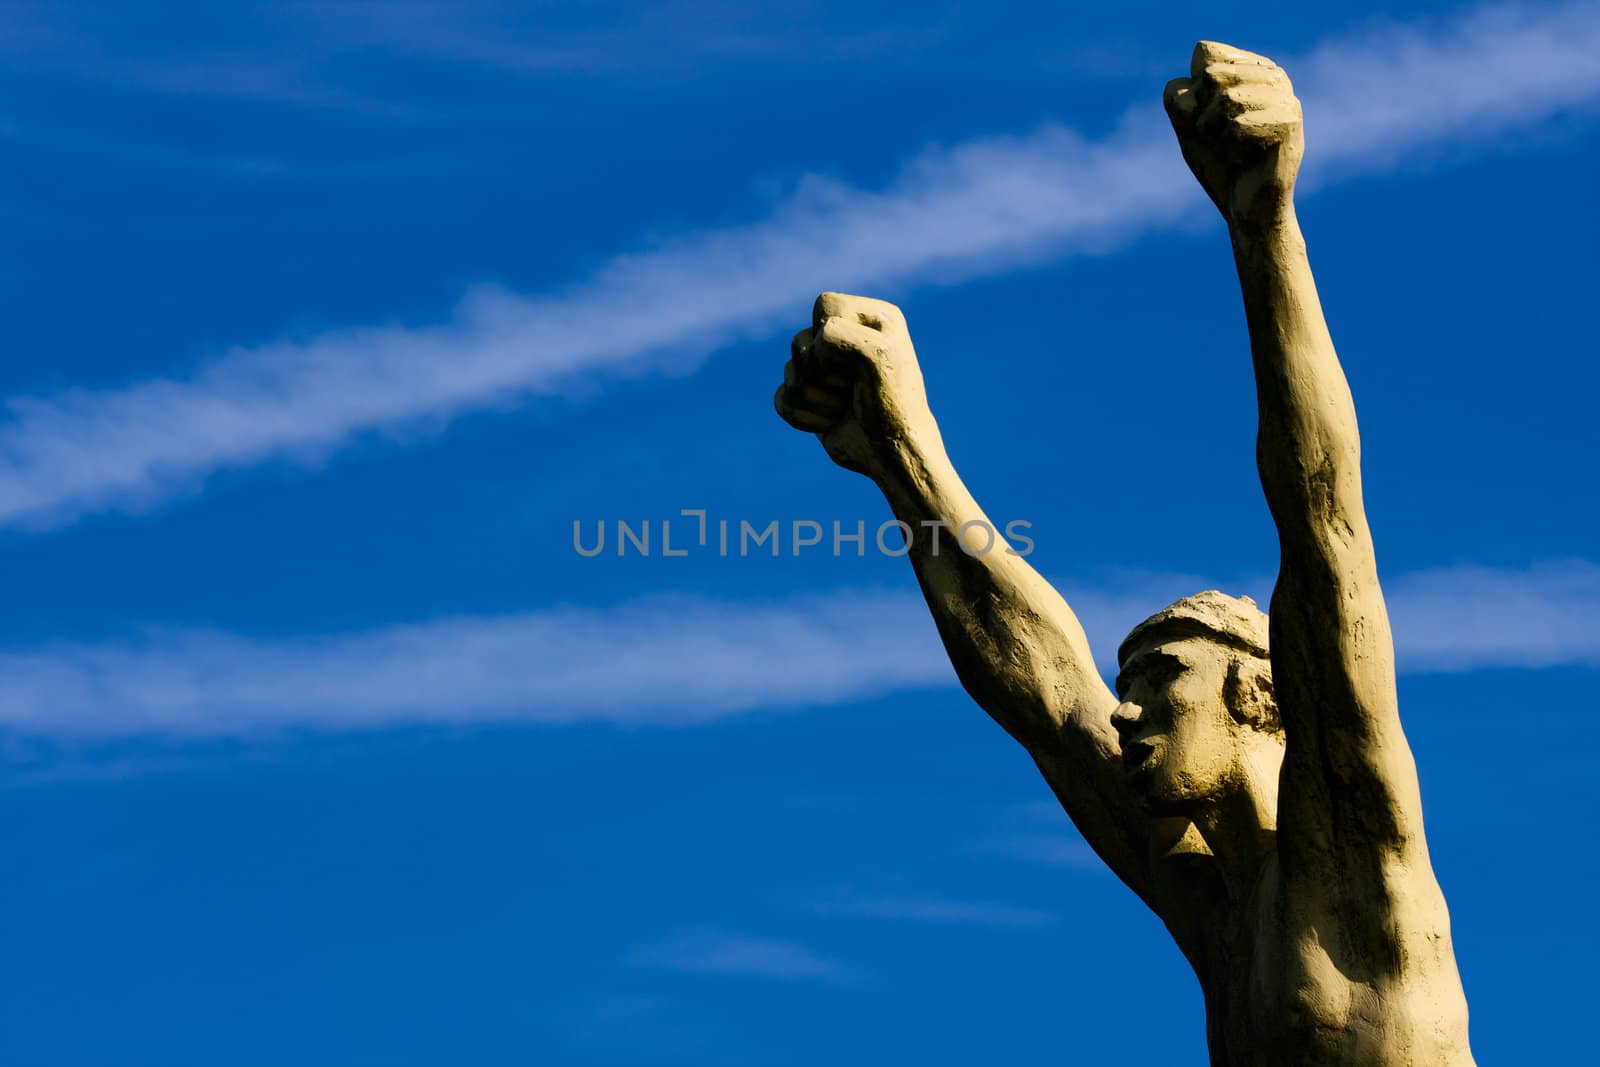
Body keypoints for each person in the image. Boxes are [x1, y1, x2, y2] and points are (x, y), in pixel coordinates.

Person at [773, 41, 1474, 1066]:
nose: (1128, 711)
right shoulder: (1222, 907)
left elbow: (1325, 528)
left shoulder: (1356, 857)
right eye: (1132, 685)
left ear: (1261, 698)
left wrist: (1262, 229)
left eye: (1164, 683)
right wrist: (900, 453)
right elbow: (1043, 691)